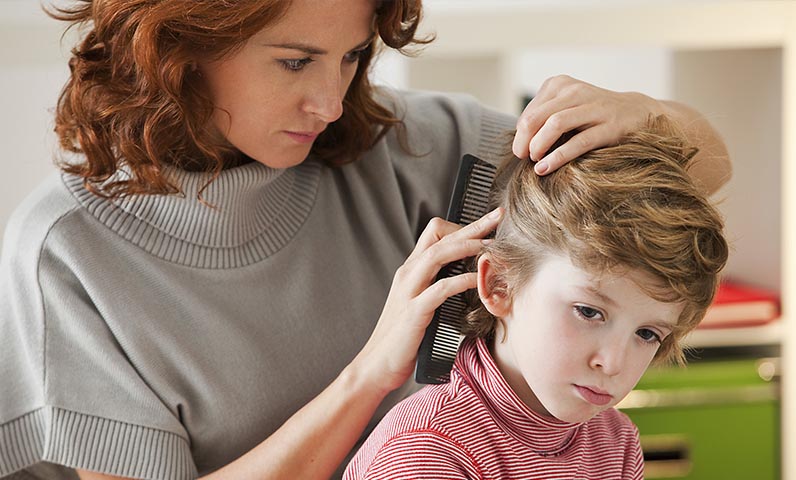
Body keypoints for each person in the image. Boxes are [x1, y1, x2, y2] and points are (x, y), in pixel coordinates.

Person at [0, 0, 731, 479]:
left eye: (351, 58)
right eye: (295, 61)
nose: (331, 100)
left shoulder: (418, 147)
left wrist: (643, 115)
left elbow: (707, 168)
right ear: (178, 44)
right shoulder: (68, 255)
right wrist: (370, 376)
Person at [343, 116, 729, 479]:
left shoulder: (615, 443)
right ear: (499, 286)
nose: (613, 363)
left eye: (646, 334)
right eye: (589, 312)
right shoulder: (425, 454)